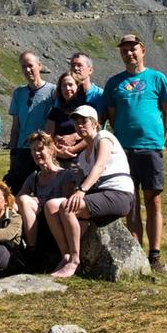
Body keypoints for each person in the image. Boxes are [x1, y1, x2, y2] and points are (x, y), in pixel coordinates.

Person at [104, 34, 167, 272]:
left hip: (151, 149)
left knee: (153, 200)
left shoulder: (157, 78)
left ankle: (154, 255)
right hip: (124, 151)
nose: (129, 54)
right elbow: (112, 116)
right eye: (124, 50)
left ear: (142, 50)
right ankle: (136, 254)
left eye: (133, 49)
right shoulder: (114, 83)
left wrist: (159, 141)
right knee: (130, 202)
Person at [44, 105, 134, 278]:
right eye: (76, 122)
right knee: (51, 206)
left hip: (119, 194)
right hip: (99, 196)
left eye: (84, 121)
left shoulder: (104, 137)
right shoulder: (84, 155)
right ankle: (66, 255)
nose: (80, 125)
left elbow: (100, 166)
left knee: (67, 207)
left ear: (95, 123)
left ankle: (75, 262)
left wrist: (81, 191)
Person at [3, 51, 56, 192]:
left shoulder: (53, 91)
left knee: (46, 189)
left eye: (30, 66)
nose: (27, 70)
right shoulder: (18, 93)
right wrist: (13, 152)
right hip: (22, 150)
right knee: (16, 190)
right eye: (23, 66)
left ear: (39, 66)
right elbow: (16, 126)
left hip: (43, 149)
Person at [16, 131, 73, 262]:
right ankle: (31, 252)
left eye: (41, 149)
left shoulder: (65, 175)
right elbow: (17, 200)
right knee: (24, 200)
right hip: (38, 224)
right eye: (33, 150)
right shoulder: (34, 177)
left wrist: (41, 201)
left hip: (56, 223)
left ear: (51, 150)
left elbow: (67, 203)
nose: (36, 153)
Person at [45, 72, 88, 167]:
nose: (67, 88)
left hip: (82, 161)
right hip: (58, 161)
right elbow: (47, 138)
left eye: (70, 85)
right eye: (64, 86)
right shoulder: (55, 111)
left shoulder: (87, 109)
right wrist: (58, 152)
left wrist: (73, 148)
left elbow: (92, 135)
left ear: (78, 87)